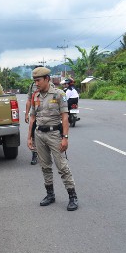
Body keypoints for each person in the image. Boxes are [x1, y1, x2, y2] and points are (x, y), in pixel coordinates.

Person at [27, 67, 78, 211]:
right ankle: (50, 194)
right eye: (35, 81)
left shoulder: (59, 94)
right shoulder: (35, 96)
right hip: (39, 135)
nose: (36, 83)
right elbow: (32, 117)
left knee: (62, 166)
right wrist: (29, 137)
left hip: (54, 134)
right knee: (45, 166)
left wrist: (65, 138)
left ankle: (72, 196)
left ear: (47, 79)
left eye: (38, 80)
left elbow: (65, 117)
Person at [26, 73, 55, 165]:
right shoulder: (32, 86)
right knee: (34, 132)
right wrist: (27, 113)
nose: (36, 82)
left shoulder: (51, 86)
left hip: (48, 114)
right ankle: (35, 154)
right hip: (37, 113)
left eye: (38, 79)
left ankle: (47, 153)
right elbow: (29, 100)